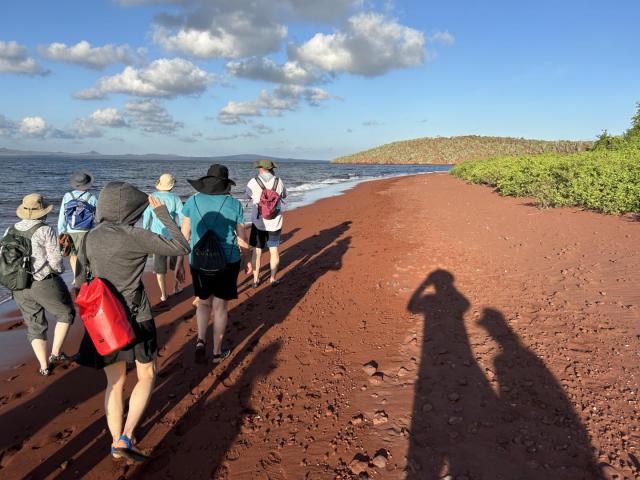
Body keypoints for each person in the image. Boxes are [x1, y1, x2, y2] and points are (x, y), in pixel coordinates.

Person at [75, 182, 190, 462]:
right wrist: (163, 215)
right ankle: (127, 434)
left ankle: (115, 442)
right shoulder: (135, 235)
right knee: (146, 375)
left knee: (114, 384)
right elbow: (181, 246)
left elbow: (79, 281)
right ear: (130, 210)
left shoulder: (88, 237)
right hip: (136, 318)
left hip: (103, 322)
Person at [181, 164, 252, 364]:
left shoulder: (192, 201)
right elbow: (242, 237)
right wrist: (247, 260)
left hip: (198, 259)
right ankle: (217, 352)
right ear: (225, 184)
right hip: (227, 261)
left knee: (203, 302)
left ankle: (200, 340)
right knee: (220, 307)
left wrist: (179, 263)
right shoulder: (234, 204)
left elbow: (184, 235)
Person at [4, 194, 76, 376]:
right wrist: (58, 272)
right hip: (42, 281)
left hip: (17, 284)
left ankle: (44, 367)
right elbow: (55, 260)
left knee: (34, 324)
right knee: (66, 313)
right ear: (42, 211)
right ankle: (55, 354)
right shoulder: (45, 230)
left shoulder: (9, 229)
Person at [142, 173, 185, 304]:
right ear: (172, 185)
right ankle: (176, 288)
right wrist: (183, 232)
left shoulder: (152, 197)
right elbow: (182, 217)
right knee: (176, 264)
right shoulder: (175, 198)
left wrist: (146, 231)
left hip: (157, 236)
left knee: (160, 267)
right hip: (173, 235)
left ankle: (163, 294)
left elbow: (147, 216)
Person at [245, 159, 287, 288]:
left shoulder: (253, 182)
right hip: (275, 222)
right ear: (271, 168)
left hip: (259, 223)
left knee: (257, 251)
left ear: (260, 168)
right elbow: (284, 195)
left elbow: (248, 196)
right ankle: (273, 279)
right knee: (274, 251)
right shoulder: (279, 181)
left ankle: (256, 280)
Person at [57, 172, 97, 282]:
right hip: (87, 232)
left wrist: (61, 231)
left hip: (71, 231)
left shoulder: (67, 196)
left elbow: (62, 215)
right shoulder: (92, 197)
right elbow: (96, 217)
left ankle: (76, 277)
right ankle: (87, 275)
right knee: (86, 256)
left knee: (73, 256)